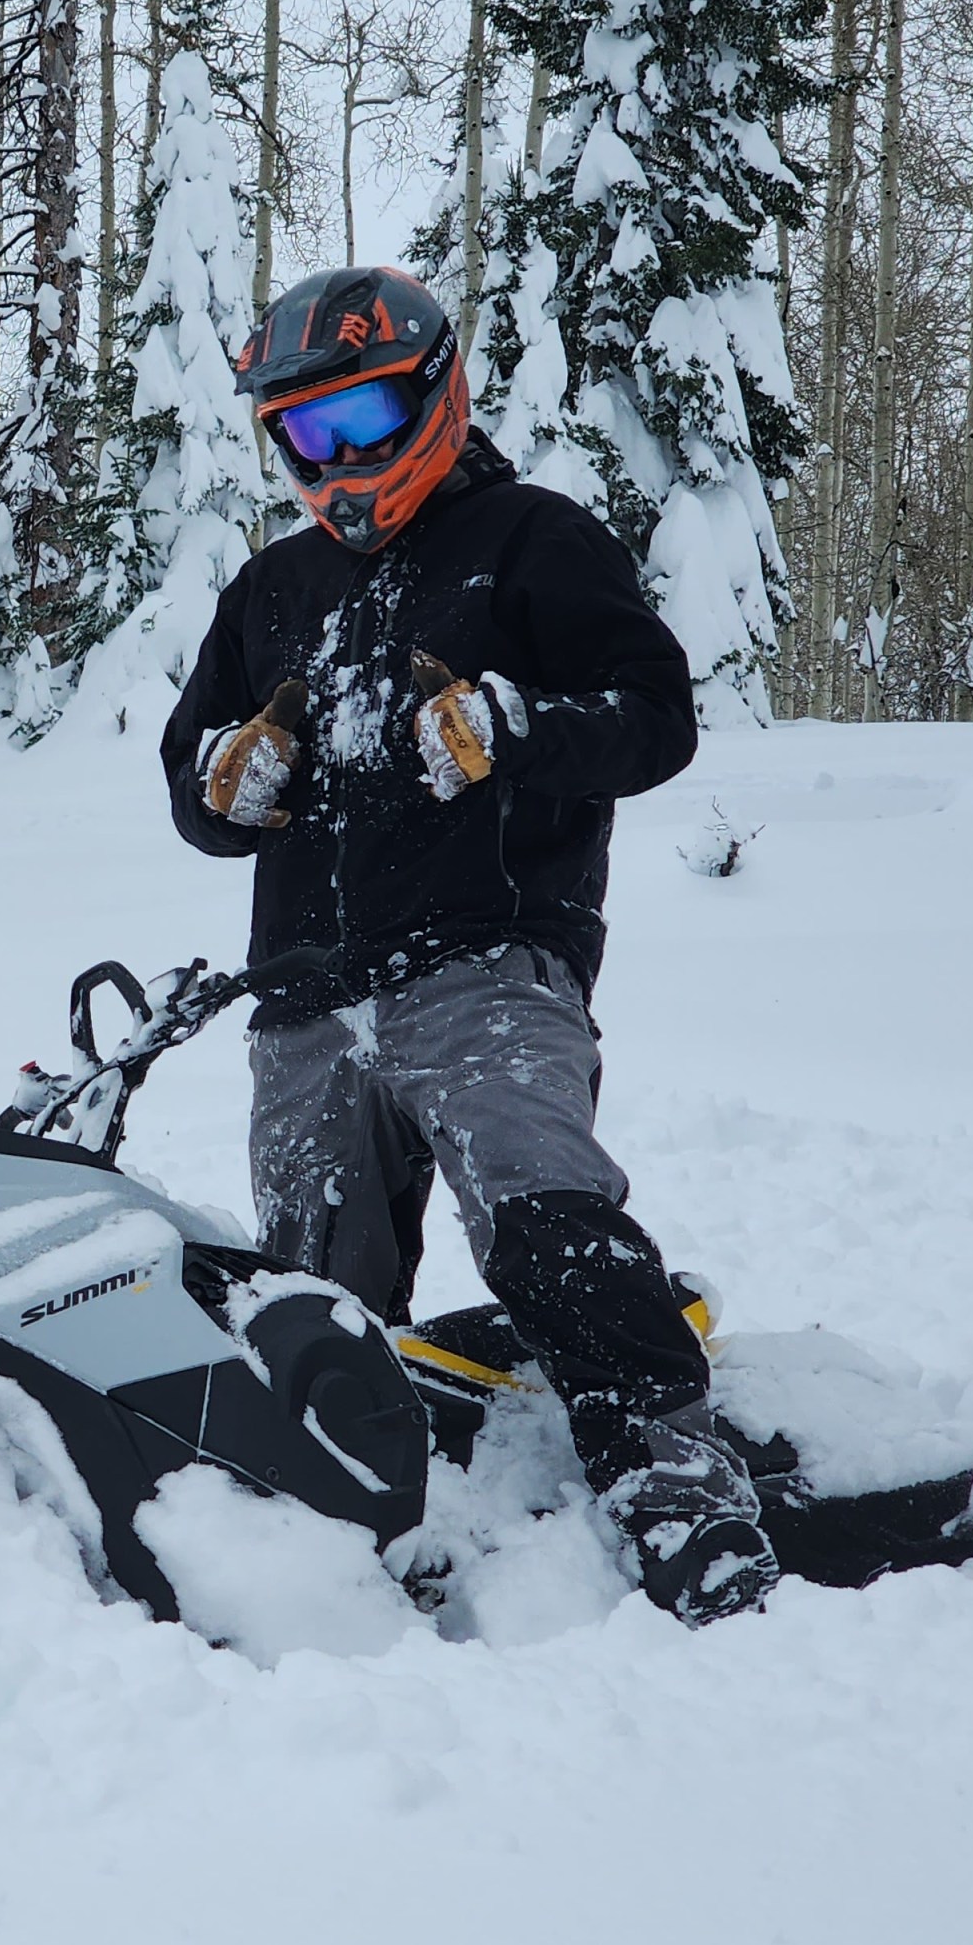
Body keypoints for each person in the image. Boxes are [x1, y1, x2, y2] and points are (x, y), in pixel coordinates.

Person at [160, 262, 780, 1626]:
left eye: (369, 414)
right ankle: (328, 1499)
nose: (345, 457)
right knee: (312, 1280)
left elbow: (655, 714)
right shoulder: (271, 589)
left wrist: (517, 727)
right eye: (311, 433)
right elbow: (191, 776)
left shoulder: (530, 540)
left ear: (435, 393)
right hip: (308, 993)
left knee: (539, 1208)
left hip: (487, 962)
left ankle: (673, 1474)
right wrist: (225, 777)